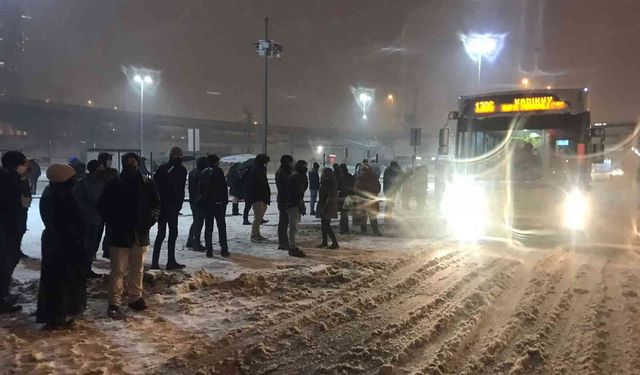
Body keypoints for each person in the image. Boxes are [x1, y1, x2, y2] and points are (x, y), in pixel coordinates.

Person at [97, 152, 160, 319]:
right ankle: (114, 302)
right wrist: (114, 221)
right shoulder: (114, 184)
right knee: (117, 270)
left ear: (138, 164)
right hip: (120, 234)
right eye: (128, 161)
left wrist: (150, 220)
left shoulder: (147, 183)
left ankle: (135, 297)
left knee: (137, 269)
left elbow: (156, 205)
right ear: (124, 163)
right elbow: (102, 206)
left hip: (140, 233)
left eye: (134, 161)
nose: (131, 164)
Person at [36, 164, 87, 329]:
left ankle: (58, 314)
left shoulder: (52, 193)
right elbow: (69, 223)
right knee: (63, 281)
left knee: (56, 280)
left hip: (56, 243)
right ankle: (59, 315)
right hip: (64, 243)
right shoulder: (61, 198)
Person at [0, 151, 29, 314]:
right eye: (23, 163)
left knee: (8, 261)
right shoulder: (7, 180)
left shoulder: (12, 178)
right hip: (6, 228)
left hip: (10, 227)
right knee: (4, 263)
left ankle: (4, 293)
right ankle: (2, 299)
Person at [152, 147, 187, 270]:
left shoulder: (164, 168)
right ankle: (169, 260)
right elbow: (180, 189)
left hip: (166, 205)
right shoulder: (180, 170)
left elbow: (155, 185)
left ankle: (156, 262)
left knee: (163, 233)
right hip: (170, 205)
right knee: (170, 233)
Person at [72, 160, 104, 278]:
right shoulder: (83, 183)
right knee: (85, 245)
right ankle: (81, 269)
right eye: (101, 167)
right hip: (86, 219)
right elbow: (77, 201)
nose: (103, 170)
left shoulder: (99, 182)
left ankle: (87, 268)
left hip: (96, 218)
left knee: (91, 245)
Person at [198, 155, 229, 258]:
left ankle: (209, 250)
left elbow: (200, 188)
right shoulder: (219, 171)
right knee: (221, 227)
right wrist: (224, 200)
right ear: (216, 162)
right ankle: (224, 249)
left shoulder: (203, 172)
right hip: (218, 203)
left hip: (208, 204)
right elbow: (223, 187)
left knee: (208, 227)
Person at [97, 152, 118, 259]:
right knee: (98, 230)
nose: (110, 162)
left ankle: (107, 250)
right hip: (100, 205)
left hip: (111, 205)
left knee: (110, 230)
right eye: (108, 160)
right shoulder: (98, 173)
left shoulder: (113, 172)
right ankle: (93, 251)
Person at [246, 154, 271, 242]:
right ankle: (254, 235)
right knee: (258, 216)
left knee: (259, 216)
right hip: (257, 196)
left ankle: (257, 233)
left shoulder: (260, 169)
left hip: (261, 196)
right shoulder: (256, 170)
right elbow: (256, 184)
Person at [187, 157, 209, 251]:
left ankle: (190, 240)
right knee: (199, 222)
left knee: (195, 220)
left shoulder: (192, 172)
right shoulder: (202, 174)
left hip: (193, 199)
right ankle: (196, 242)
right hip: (200, 200)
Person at [287, 160, 308, 257]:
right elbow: (294, 192)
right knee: (293, 226)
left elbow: (303, 188)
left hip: (297, 203)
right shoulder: (294, 177)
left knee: (294, 225)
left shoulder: (299, 176)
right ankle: (292, 246)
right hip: (293, 204)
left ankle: (292, 245)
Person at [354, 164, 382, 235]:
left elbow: (356, 189)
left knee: (363, 216)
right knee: (372, 216)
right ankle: (375, 231)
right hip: (372, 200)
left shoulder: (359, 179)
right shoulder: (374, 179)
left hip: (362, 200)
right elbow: (378, 189)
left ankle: (363, 230)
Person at [317, 167, 339, 249]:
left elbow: (330, 196)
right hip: (325, 204)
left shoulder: (330, 182)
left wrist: (325, 207)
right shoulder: (326, 181)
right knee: (324, 224)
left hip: (328, 205)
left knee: (326, 225)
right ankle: (324, 241)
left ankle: (334, 242)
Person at [275, 155, 294, 250]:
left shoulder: (283, 171)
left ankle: (283, 242)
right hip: (284, 200)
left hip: (283, 199)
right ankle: (283, 242)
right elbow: (286, 187)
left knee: (284, 222)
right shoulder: (283, 172)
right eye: (290, 162)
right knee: (283, 222)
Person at [338, 163, 355, 234]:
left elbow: (339, 187)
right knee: (345, 213)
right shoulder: (350, 176)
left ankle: (343, 229)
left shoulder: (340, 177)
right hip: (349, 197)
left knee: (343, 214)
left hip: (343, 196)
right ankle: (346, 229)